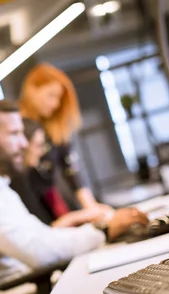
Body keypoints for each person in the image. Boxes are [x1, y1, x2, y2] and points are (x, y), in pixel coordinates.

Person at [0, 99, 148, 294]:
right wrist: (104, 229)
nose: (23, 143)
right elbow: (39, 252)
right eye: (14, 134)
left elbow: (41, 237)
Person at [19, 62, 111, 218]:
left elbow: (71, 171)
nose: (55, 104)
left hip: (55, 205)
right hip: (30, 207)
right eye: (50, 96)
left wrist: (91, 207)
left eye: (59, 99)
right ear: (32, 90)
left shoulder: (55, 131)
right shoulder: (17, 128)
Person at [10, 119, 114, 228]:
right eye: (39, 145)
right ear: (23, 145)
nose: (42, 152)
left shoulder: (32, 176)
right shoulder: (18, 182)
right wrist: (80, 216)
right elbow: (44, 230)